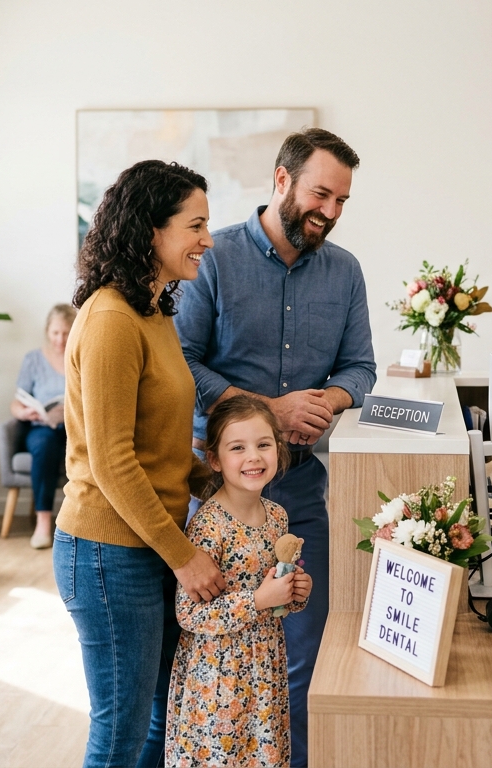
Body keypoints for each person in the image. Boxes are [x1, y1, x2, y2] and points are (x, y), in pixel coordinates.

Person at [175, 128, 376, 767]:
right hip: (215, 497)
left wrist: (328, 402)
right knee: (218, 649)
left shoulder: (345, 271)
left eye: (342, 200)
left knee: (301, 655)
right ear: (282, 180)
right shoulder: (215, 259)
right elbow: (182, 363)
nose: (332, 211)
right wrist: (267, 411)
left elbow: (361, 369)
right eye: (322, 193)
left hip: (301, 494)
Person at [52, 159, 226, 768]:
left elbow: (161, 446)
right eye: (195, 225)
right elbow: (112, 463)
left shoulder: (155, 311)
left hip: (148, 544)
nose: (208, 239)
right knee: (121, 731)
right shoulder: (109, 321)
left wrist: (227, 478)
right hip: (107, 552)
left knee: (160, 719)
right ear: (150, 229)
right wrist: (186, 558)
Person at [166, 396, 312, 768]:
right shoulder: (208, 526)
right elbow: (189, 615)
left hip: (265, 669)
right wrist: (259, 600)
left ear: (278, 450)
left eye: (264, 445)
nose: (254, 457)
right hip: (219, 676)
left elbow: (274, 595)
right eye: (238, 448)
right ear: (215, 460)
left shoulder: (277, 516)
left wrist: (294, 593)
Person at [10, 303, 77, 549]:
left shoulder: (80, 356)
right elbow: (17, 401)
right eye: (56, 332)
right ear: (48, 331)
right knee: (45, 445)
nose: (60, 339)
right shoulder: (34, 359)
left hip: (73, 427)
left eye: (66, 332)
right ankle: (43, 523)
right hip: (41, 427)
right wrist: (25, 411)